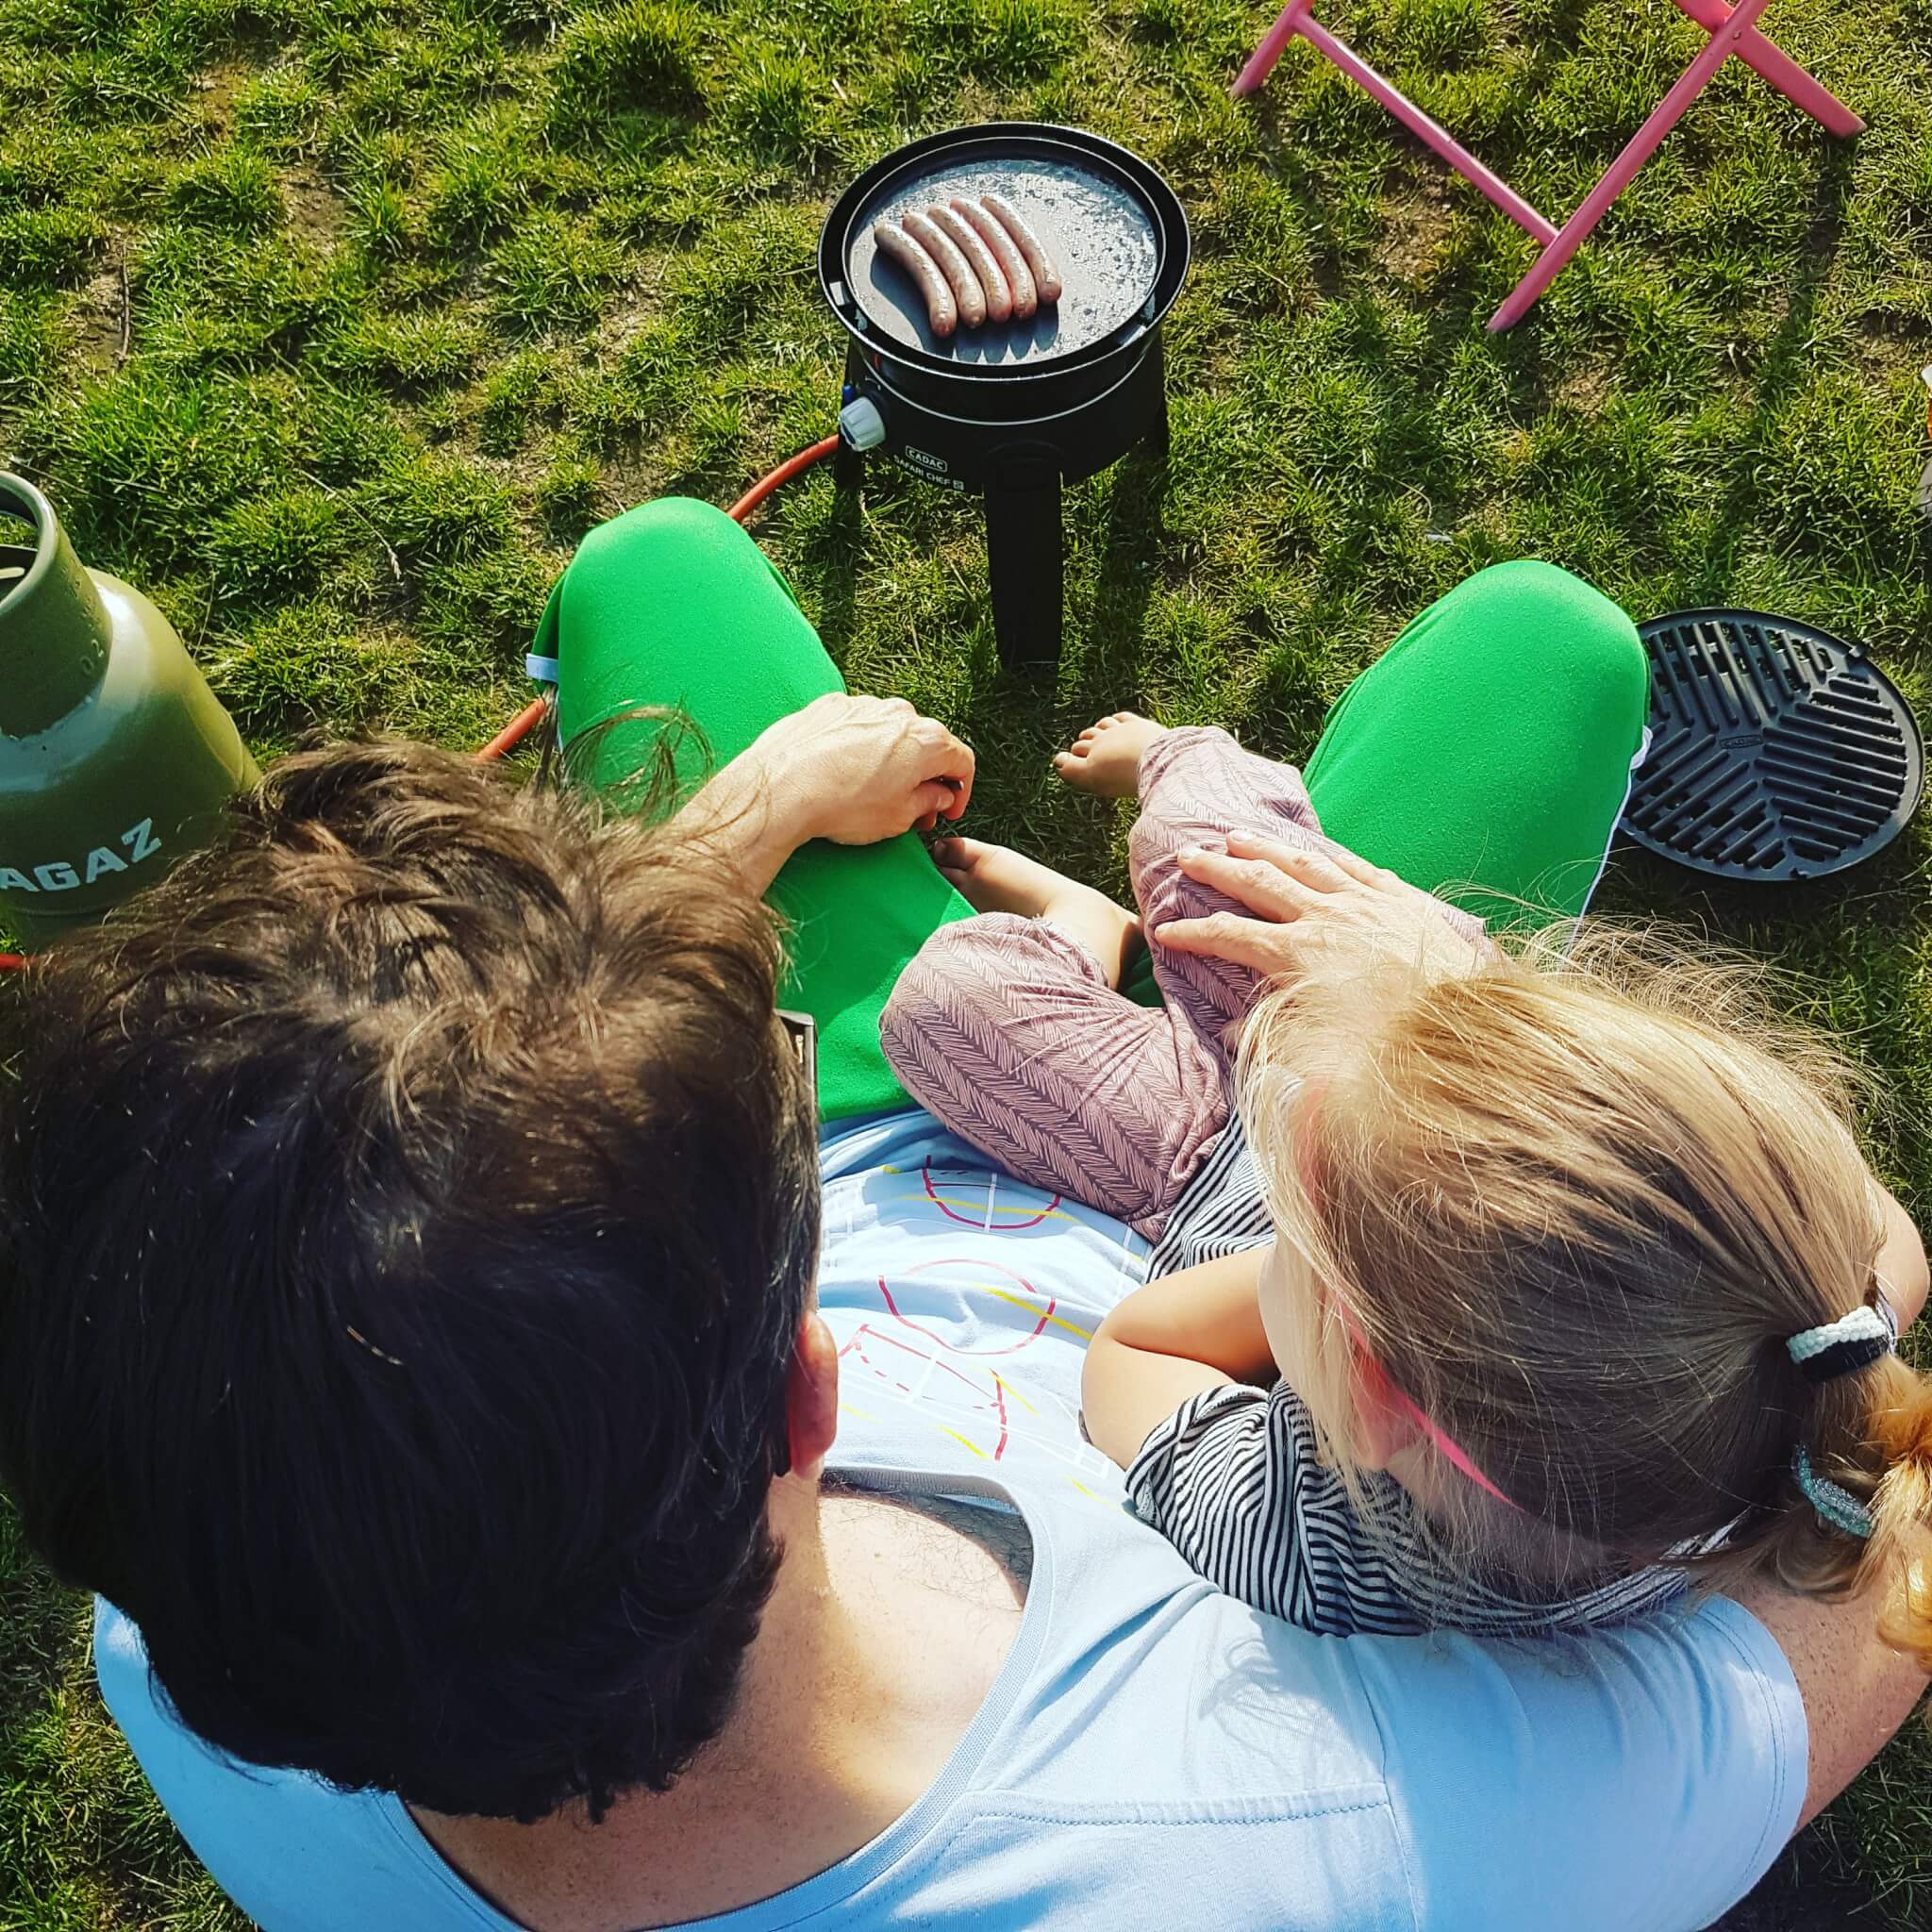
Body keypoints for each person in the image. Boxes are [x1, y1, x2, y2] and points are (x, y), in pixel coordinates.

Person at [0, 500, 1925, 1932]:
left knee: (657, 569)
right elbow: (1872, 1495)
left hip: (827, 1186)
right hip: (1302, 1207)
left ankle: (1069, 934)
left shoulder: (195, 1636)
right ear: (803, 1395)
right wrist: (1453, 1024)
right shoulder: (1391, 1835)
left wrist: (756, 809)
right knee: (1555, 649)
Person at [880, 716, 1932, 1645]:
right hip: (1417, 1033)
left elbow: (1135, 1345)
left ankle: (1084, 929)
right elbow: (1892, 1248)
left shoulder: (1298, 1534)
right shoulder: (1798, 1348)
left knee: (946, 998)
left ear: (1370, 1389)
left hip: (1193, 1153)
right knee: (1202, 840)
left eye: (1304, 1209)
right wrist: (1460, 985)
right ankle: (1172, 754)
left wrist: (1308, 1242)